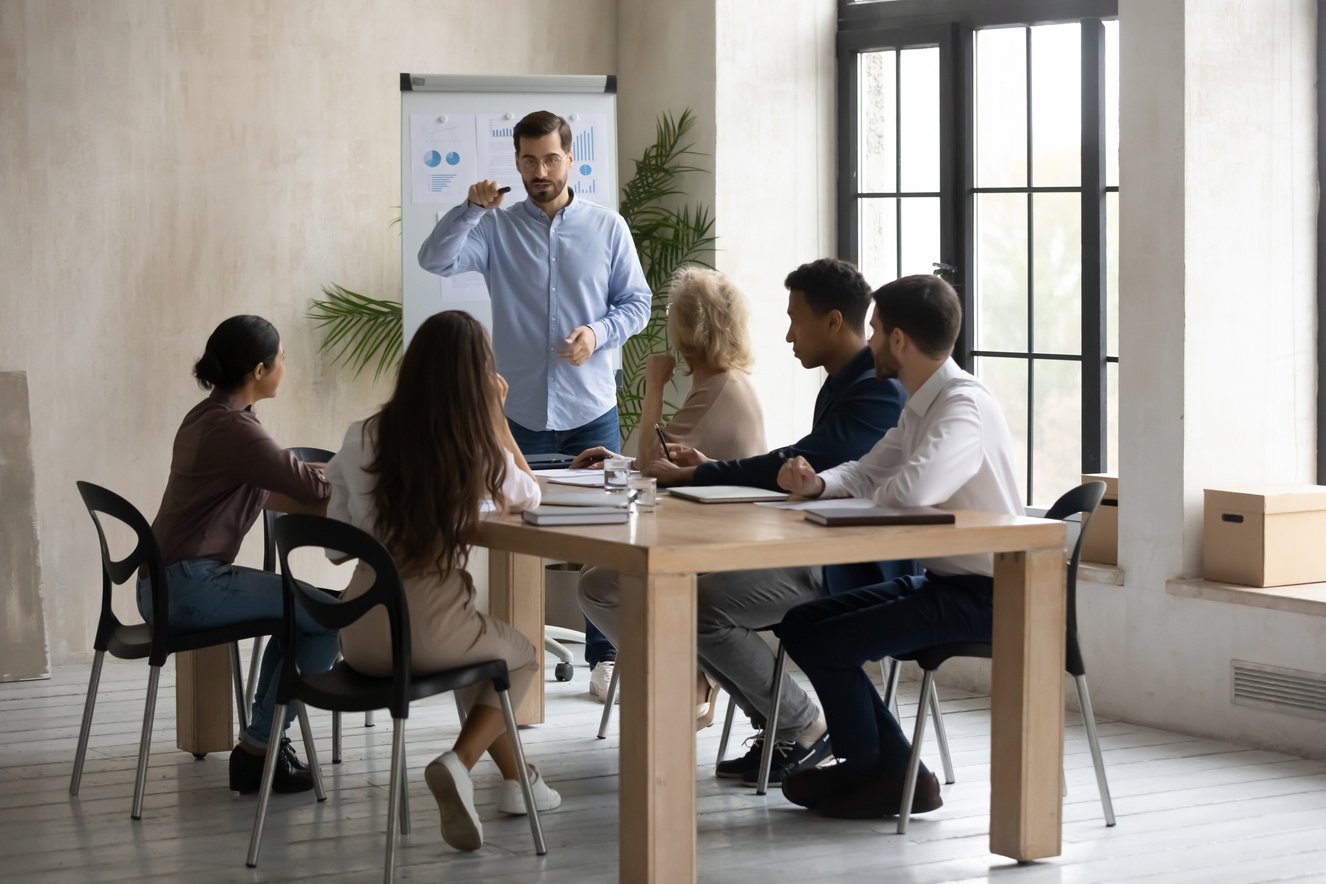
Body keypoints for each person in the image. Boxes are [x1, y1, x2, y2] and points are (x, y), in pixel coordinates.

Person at [577, 258, 910, 784]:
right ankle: (784, 724)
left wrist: (704, 473)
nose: (786, 334)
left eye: (796, 320)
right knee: (633, 591)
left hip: (849, 564)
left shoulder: (875, 387)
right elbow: (801, 458)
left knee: (698, 605)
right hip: (809, 545)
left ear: (833, 321)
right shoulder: (845, 382)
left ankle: (800, 725)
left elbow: (810, 461)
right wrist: (706, 469)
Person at [774, 273, 1024, 820]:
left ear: (899, 341)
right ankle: (892, 769)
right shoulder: (922, 402)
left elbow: (912, 491)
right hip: (945, 583)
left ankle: (875, 773)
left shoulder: (962, 407)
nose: (869, 343)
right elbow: (869, 471)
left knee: (832, 641)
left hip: (988, 596)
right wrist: (818, 484)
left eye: (876, 331)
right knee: (802, 625)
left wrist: (872, 488)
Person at [418, 110, 651, 692]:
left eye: (550, 159)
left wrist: (597, 334)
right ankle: (520, 662)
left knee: (607, 541)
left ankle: (605, 658)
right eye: (528, 160)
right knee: (514, 533)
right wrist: (470, 208)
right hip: (515, 413)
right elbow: (435, 260)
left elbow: (637, 303)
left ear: (570, 159)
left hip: (589, 407)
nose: (539, 171)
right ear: (516, 161)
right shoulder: (495, 227)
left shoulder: (607, 227)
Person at [326, 310, 561, 853]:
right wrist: (498, 421)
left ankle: (519, 782)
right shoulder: (470, 445)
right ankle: (459, 762)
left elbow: (339, 546)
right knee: (522, 655)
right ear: (474, 378)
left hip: (357, 634)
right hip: (428, 632)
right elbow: (530, 494)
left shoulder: (361, 435)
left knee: (478, 662)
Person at [142, 315, 337, 795]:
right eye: (283, 358)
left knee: (304, 616)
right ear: (258, 369)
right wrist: (361, 473)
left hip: (166, 583)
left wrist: (319, 468)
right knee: (327, 615)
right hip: (192, 585)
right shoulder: (235, 429)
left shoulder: (211, 416)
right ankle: (257, 752)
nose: (285, 366)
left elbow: (284, 468)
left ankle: (259, 746)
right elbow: (308, 484)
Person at [574, 265, 768, 713]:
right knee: (595, 576)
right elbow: (663, 462)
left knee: (596, 586)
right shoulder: (726, 380)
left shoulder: (717, 388)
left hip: (713, 546)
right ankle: (689, 671)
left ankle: (685, 673)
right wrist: (620, 461)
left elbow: (651, 467)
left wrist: (654, 388)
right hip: (707, 530)